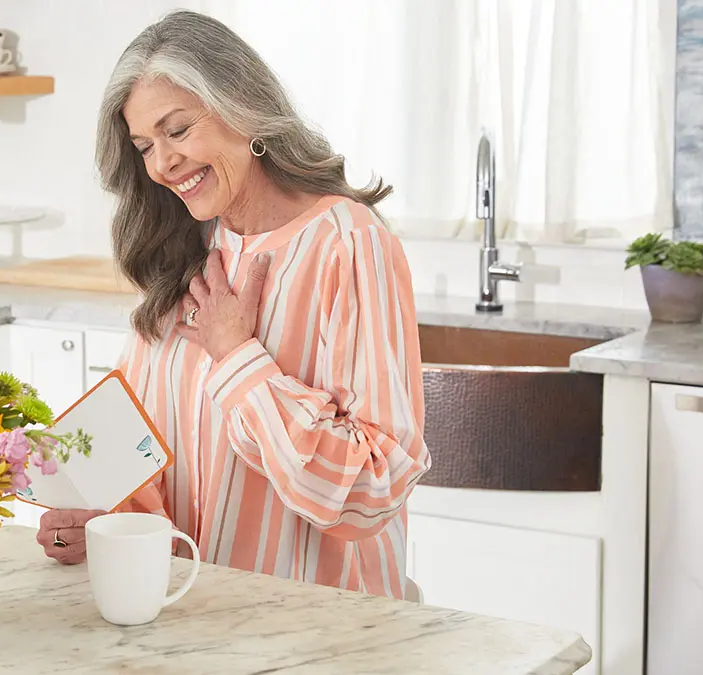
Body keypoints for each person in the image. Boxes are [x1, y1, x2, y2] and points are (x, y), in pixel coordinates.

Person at [35, 9, 431, 598]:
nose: (161, 163)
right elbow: (139, 447)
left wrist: (237, 358)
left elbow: (372, 488)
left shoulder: (347, 241)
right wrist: (101, 518)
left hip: (321, 631)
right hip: (194, 618)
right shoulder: (182, 249)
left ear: (243, 107)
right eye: (144, 145)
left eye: (178, 130)